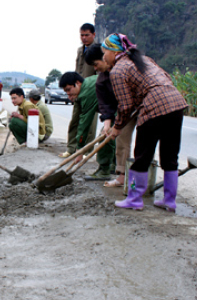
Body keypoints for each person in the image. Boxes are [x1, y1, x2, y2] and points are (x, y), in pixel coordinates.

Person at [102, 33, 188, 212]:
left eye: (105, 52)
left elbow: (125, 106)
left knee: (141, 157)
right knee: (170, 157)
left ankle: (134, 198)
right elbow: (164, 78)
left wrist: (117, 128)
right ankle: (169, 201)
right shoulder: (144, 59)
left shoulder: (118, 70)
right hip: (176, 104)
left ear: (113, 51)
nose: (104, 57)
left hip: (154, 108)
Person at [84, 43, 137, 185]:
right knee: (112, 136)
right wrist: (107, 125)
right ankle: (118, 173)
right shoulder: (101, 80)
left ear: (105, 57)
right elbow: (105, 105)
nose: (95, 69)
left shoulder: (124, 68)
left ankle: (139, 177)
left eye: (96, 64)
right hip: (122, 110)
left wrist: (117, 125)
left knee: (143, 143)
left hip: (139, 106)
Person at [59, 72, 114, 180]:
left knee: (105, 136)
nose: (69, 95)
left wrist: (79, 150)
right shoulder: (86, 85)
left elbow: (84, 124)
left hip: (120, 106)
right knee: (110, 136)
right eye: (66, 92)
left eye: (69, 90)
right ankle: (113, 165)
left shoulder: (87, 92)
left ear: (78, 83)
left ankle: (104, 171)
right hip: (113, 108)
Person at [60, 23, 99, 158]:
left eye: (86, 35)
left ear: (93, 35)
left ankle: (85, 151)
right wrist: (71, 90)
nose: (84, 38)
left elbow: (98, 73)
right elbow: (78, 69)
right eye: (81, 35)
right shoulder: (79, 50)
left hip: (92, 92)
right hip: (78, 90)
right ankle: (71, 148)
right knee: (75, 121)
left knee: (89, 124)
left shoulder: (97, 51)